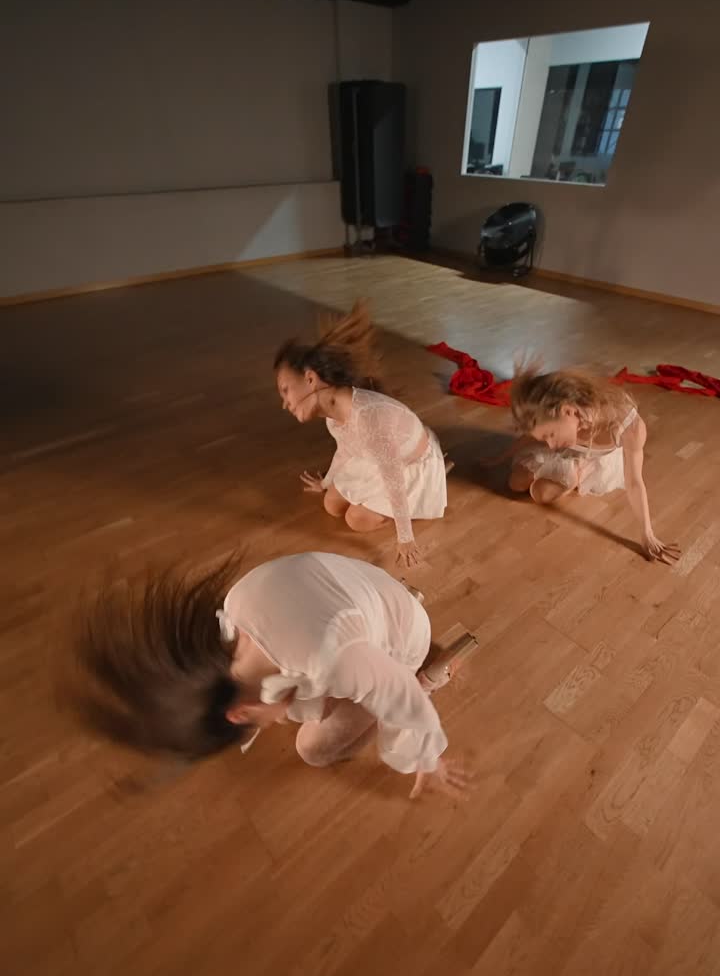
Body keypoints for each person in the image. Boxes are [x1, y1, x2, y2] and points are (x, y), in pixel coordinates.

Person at [72, 551, 466, 799]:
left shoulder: (331, 659)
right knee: (302, 709)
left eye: (252, 725)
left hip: (399, 635)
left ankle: (429, 672)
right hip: (359, 595)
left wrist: (425, 759)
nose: (266, 725)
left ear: (239, 714)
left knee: (313, 750)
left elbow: (402, 700)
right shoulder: (234, 607)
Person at [274, 301, 448, 568]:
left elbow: (394, 481)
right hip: (376, 456)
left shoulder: (369, 418)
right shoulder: (333, 413)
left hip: (407, 468)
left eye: (286, 390)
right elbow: (346, 449)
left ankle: (424, 492)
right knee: (331, 504)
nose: (284, 403)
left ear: (310, 379)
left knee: (356, 520)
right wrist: (324, 483)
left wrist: (405, 536)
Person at [508, 363, 680, 564]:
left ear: (569, 411)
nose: (550, 444)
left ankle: (577, 474)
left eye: (551, 435)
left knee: (540, 493)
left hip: (598, 460)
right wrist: (500, 456)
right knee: (515, 483)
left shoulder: (629, 426)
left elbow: (634, 482)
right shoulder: (558, 416)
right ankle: (567, 469)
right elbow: (534, 435)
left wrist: (647, 533)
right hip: (571, 445)